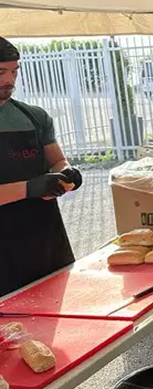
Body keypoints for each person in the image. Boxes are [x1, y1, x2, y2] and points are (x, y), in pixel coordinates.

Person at [0, 36, 83, 297]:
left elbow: (56, 160)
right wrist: (29, 188)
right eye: (1, 72)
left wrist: (66, 172)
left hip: (46, 241)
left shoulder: (34, 117)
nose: (9, 81)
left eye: (14, 71)